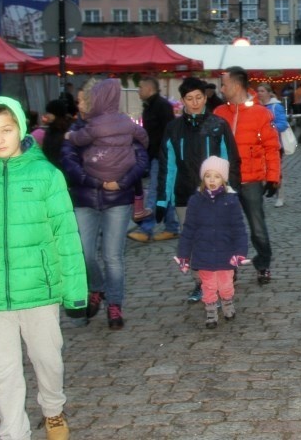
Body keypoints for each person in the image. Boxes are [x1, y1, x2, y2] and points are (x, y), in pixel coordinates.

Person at [0, 96, 87, 440]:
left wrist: (75, 293)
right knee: (3, 372)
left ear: (20, 129)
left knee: (47, 359)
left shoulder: (46, 175)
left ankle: (52, 408)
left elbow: (66, 236)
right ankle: (13, 433)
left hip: (39, 289)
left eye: (6, 130)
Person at [61, 79, 149, 329]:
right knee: (84, 253)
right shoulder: (78, 130)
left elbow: (141, 158)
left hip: (117, 200)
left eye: (82, 99)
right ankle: (97, 288)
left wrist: (122, 182)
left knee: (112, 256)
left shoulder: (122, 126)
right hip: (84, 198)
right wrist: (94, 181)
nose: (79, 103)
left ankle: (115, 304)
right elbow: (68, 160)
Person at [157, 77, 240, 304]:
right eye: (189, 98)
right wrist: (162, 200)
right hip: (186, 194)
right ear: (183, 100)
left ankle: (226, 275)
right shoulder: (173, 128)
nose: (194, 103)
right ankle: (201, 283)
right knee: (193, 240)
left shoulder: (218, 125)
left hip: (217, 192)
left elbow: (230, 159)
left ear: (205, 98)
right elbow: (168, 165)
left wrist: (231, 189)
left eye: (198, 97)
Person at [214, 66, 281, 285]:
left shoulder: (261, 113)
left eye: (224, 84)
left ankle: (263, 264)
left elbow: (272, 147)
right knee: (226, 228)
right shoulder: (219, 113)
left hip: (251, 181)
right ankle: (229, 267)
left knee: (257, 227)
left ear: (235, 85)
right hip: (224, 181)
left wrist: (273, 177)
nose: (221, 89)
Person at [64, 78, 151, 222]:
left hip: (115, 197)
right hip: (91, 197)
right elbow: (142, 137)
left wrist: (70, 136)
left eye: (84, 100)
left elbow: (78, 140)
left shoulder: (90, 127)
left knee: (105, 244)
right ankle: (139, 207)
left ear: (95, 101)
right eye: (78, 101)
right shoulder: (125, 122)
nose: (80, 105)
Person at [175, 157, 249, 329]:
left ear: (223, 179)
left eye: (216, 176)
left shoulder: (231, 201)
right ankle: (210, 311)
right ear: (203, 178)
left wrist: (240, 252)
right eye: (208, 176)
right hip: (203, 253)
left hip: (225, 253)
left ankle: (227, 301)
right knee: (208, 285)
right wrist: (184, 255)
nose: (212, 180)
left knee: (225, 284)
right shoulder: (195, 201)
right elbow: (188, 230)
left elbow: (239, 229)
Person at [128, 77, 179, 243]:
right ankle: (171, 227)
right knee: (165, 193)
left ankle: (146, 228)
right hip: (155, 155)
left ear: (150, 89)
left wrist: (163, 153)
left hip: (162, 155)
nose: (138, 91)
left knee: (155, 192)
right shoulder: (149, 106)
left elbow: (170, 132)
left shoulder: (161, 106)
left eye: (141, 87)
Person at [256, 83, 289, 208]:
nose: (259, 93)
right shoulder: (255, 106)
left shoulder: (276, 107)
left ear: (269, 93)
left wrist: (270, 129)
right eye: (258, 91)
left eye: (262, 91)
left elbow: (283, 124)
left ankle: (280, 196)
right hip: (258, 144)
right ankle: (260, 194)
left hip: (274, 144)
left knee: (275, 170)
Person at [40, 99, 72, 170]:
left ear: (57, 114)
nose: (46, 115)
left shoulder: (65, 133)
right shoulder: (50, 130)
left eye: (49, 113)